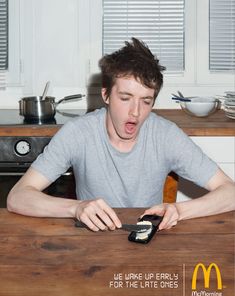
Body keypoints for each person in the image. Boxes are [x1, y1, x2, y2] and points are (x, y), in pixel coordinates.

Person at [7, 38, 235, 231]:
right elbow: (18, 197)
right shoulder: (78, 133)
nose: (136, 112)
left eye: (146, 101)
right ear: (106, 95)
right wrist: (75, 208)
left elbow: (230, 192)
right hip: (91, 245)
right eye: (125, 98)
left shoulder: (165, 135)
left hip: (145, 244)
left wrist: (179, 210)